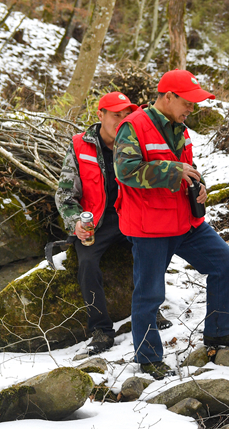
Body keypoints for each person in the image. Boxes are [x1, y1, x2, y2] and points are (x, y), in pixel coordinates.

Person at [114, 70, 229, 379]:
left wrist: (200, 184)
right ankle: (148, 358)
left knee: (225, 262)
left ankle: (219, 332)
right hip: (149, 225)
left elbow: (188, 167)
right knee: (149, 293)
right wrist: (172, 171)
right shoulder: (132, 126)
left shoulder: (181, 127)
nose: (191, 109)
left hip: (186, 220)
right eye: (187, 102)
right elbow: (125, 171)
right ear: (167, 97)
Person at [55, 92, 172, 356]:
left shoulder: (135, 140)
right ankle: (101, 330)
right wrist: (76, 223)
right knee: (86, 263)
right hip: (96, 222)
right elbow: (64, 194)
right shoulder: (78, 145)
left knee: (149, 250)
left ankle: (152, 311)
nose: (121, 120)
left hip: (131, 214)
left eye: (125, 114)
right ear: (100, 115)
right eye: (115, 114)